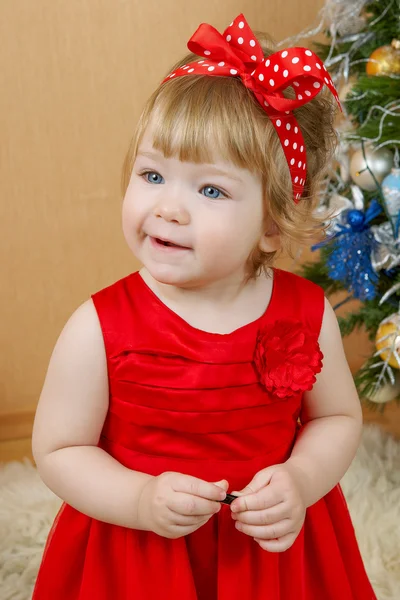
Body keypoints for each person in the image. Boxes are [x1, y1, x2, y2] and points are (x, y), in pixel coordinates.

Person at [31, 13, 377, 600]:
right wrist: (138, 500)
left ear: (272, 221)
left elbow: (336, 419)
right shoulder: (98, 327)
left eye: (210, 189)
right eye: (152, 174)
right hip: (141, 550)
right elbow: (60, 449)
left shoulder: (303, 311)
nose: (168, 208)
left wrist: (300, 478)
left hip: (269, 554)